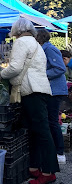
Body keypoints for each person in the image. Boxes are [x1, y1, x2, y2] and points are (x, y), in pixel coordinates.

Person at [0, 18, 59, 184]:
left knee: (42, 131)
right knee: (36, 130)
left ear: (16, 30)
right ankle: (35, 167)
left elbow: (15, 68)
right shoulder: (35, 43)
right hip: (41, 89)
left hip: (31, 90)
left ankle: (48, 171)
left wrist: (0, 75)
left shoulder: (21, 43)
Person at [36, 30, 67, 165]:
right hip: (51, 90)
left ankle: (60, 152)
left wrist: (42, 73)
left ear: (39, 39)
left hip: (55, 90)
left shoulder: (50, 49)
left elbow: (60, 68)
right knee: (51, 120)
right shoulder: (46, 48)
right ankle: (55, 150)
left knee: (53, 121)